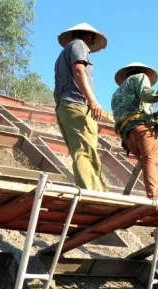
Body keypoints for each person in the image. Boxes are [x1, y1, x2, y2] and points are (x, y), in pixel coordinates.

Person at [110, 62, 158, 201]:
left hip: (127, 137)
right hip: (141, 130)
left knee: (152, 164)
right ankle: (154, 199)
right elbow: (146, 95)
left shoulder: (116, 95)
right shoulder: (140, 77)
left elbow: (135, 115)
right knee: (151, 161)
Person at [53, 23, 108, 191]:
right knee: (85, 152)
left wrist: (63, 110)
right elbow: (78, 70)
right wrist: (92, 100)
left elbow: (56, 93)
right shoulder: (79, 45)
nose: (91, 43)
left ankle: (95, 190)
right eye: (92, 38)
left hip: (64, 106)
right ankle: (93, 195)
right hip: (77, 104)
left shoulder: (60, 58)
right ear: (88, 36)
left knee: (81, 151)